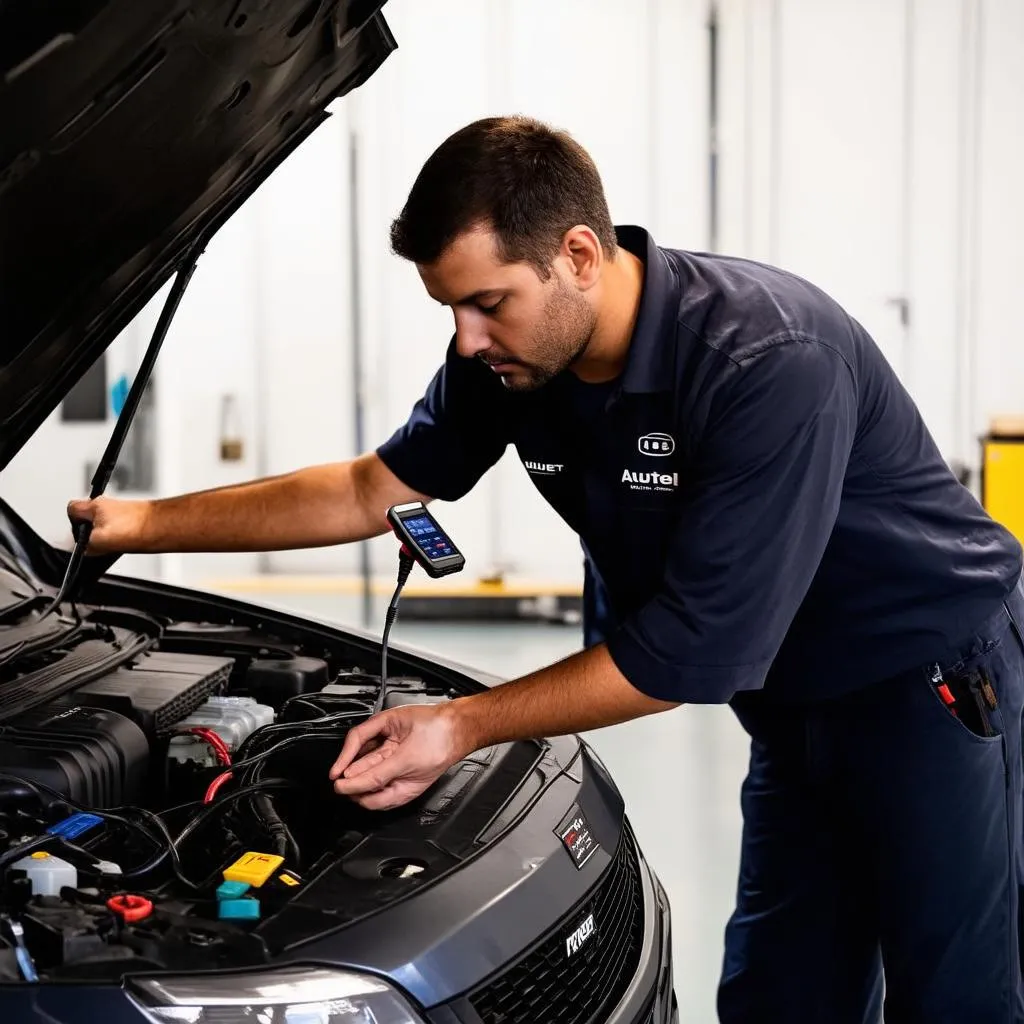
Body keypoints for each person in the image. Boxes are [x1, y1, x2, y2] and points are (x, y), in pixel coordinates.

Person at [68, 115, 1024, 1023]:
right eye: (453, 310)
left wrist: (461, 726)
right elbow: (373, 488)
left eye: (489, 303)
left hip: (927, 684)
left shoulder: (767, 359)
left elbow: (691, 651)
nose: (470, 340)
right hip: (787, 701)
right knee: (783, 994)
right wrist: (141, 522)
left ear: (576, 255)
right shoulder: (512, 362)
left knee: (953, 998)